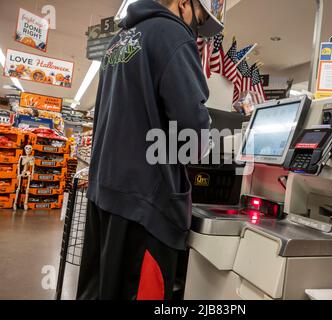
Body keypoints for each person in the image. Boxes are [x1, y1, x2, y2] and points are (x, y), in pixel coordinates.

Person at [76, 0, 224, 300]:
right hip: (146, 209)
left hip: (105, 196)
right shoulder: (173, 34)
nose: (196, 31)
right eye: (198, 20)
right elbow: (193, 138)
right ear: (184, 3)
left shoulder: (117, 42)